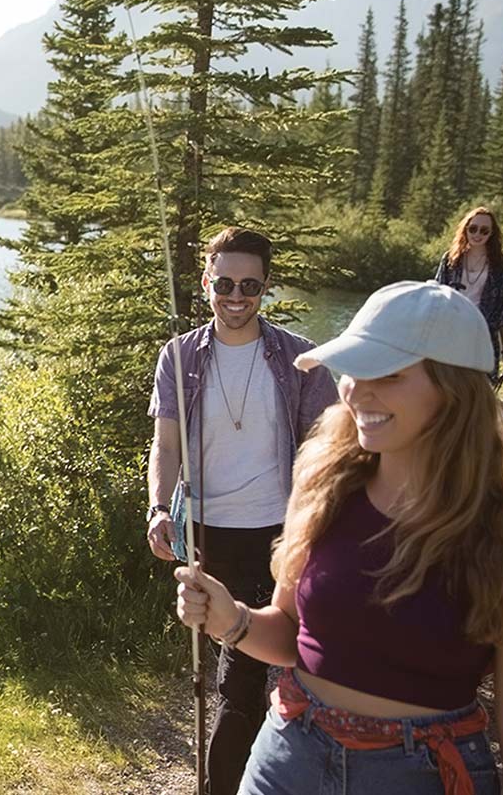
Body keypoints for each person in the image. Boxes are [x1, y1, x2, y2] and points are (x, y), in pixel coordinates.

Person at [176, 281, 503, 795]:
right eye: (353, 369)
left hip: (420, 775)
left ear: (454, 390)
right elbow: (294, 636)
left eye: (386, 374)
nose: (357, 391)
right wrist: (234, 621)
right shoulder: (324, 491)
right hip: (288, 756)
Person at [147, 227, 336, 795]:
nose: (236, 296)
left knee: (245, 674)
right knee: (230, 671)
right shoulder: (179, 357)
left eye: (249, 285)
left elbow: (323, 448)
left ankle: (226, 785)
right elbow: (167, 445)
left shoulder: (299, 356)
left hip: (281, 533)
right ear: (207, 282)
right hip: (208, 535)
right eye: (225, 282)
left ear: (265, 287)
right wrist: (159, 508)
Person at [433, 207, 503, 382]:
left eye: (484, 230)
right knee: (450, 389)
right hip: (452, 335)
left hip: (485, 335)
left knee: (482, 390)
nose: (477, 234)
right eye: (473, 228)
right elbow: (436, 299)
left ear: (492, 234)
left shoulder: (500, 266)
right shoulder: (451, 260)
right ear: (465, 229)